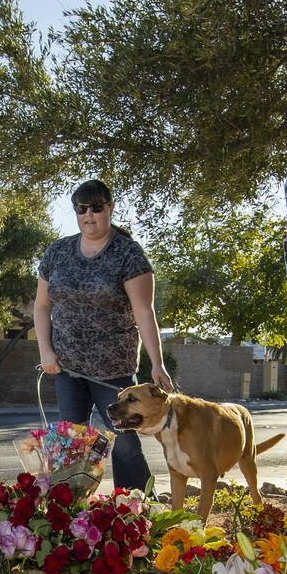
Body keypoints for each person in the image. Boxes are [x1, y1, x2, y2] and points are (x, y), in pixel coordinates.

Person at [34, 179, 173, 492]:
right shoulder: (57, 252)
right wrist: (46, 351)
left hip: (114, 373)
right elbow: (42, 306)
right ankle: (70, 512)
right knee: (69, 443)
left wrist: (157, 363)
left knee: (124, 445)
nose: (89, 215)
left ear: (109, 208)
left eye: (96, 207)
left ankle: (137, 505)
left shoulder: (128, 255)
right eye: (81, 209)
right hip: (66, 368)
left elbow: (144, 313)